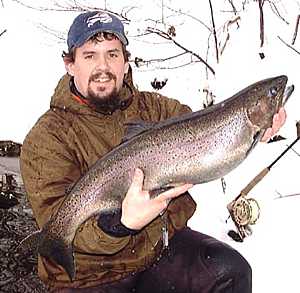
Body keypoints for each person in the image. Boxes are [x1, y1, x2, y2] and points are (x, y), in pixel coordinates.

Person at [20, 10, 286, 293]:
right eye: (90, 56)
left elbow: (209, 129)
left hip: (154, 251)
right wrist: (120, 224)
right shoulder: (46, 138)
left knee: (231, 272)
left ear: (125, 63)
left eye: (112, 54)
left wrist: (255, 133)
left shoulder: (155, 109)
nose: (103, 66)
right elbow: (55, 218)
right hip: (88, 275)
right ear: (70, 64)